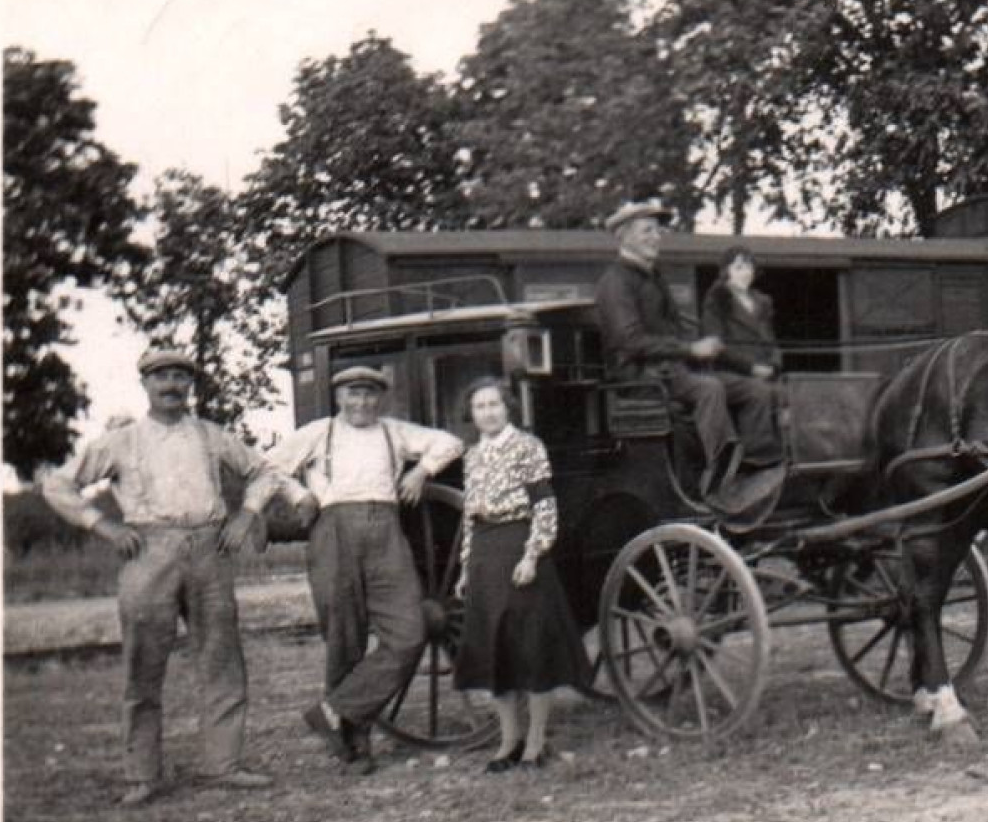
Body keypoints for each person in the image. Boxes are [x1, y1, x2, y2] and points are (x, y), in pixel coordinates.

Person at [40, 348, 278, 804]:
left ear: (191, 385)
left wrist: (247, 515)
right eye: (161, 377)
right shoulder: (122, 441)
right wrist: (103, 525)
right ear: (145, 384)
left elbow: (265, 471)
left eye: (180, 377)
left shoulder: (211, 435)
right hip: (149, 551)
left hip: (210, 549)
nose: (171, 385)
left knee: (222, 658)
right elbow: (58, 484)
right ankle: (143, 775)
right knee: (143, 665)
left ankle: (222, 764)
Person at [265, 365, 464, 775]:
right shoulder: (319, 432)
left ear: (381, 398)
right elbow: (268, 467)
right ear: (339, 397)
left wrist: (422, 469)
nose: (361, 402)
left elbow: (451, 442)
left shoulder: (394, 432)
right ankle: (354, 742)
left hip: (387, 530)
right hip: (333, 528)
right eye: (353, 394)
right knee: (345, 636)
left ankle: (334, 710)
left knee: (409, 633)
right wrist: (300, 494)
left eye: (370, 394)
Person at [594, 200, 781, 497]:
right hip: (641, 377)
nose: (656, 237)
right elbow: (630, 341)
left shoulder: (653, 278)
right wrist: (690, 350)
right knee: (709, 390)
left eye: (658, 231)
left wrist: (700, 348)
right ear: (624, 235)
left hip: (673, 372)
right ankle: (719, 475)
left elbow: (674, 332)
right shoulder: (615, 282)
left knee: (756, 390)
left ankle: (759, 465)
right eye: (647, 231)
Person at [452, 378, 591, 771]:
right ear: (472, 414)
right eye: (480, 407)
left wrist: (532, 555)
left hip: (519, 545)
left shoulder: (528, 446)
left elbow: (545, 506)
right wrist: (465, 566)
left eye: (494, 404)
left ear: (507, 407)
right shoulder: (472, 455)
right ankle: (507, 741)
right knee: (495, 647)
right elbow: (469, 515)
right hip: (484, 551)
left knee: (530, 645)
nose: (488, 412)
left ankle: (535, 742)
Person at [701, 245, 782, 380]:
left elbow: (771, 340)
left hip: (766, 370)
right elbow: (716, 344)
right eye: (739, 268)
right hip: (733, 373)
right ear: (726, 271)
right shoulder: (717, 299)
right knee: (761, 393)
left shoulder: (763, 301)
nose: (746, 273)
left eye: (749, 267)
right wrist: (751, 368)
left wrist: (775, 365)